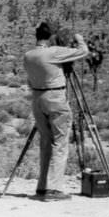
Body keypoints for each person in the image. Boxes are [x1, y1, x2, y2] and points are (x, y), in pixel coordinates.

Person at [23, 22, 89, 202]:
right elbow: (83, 52)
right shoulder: (54, 52)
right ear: (51, 37)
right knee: (59, 144)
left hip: (37, 99)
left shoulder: (28, 55)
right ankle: (54, 190)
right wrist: (79, 39)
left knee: (46, 142)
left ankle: (43, 187)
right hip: (55, 98)